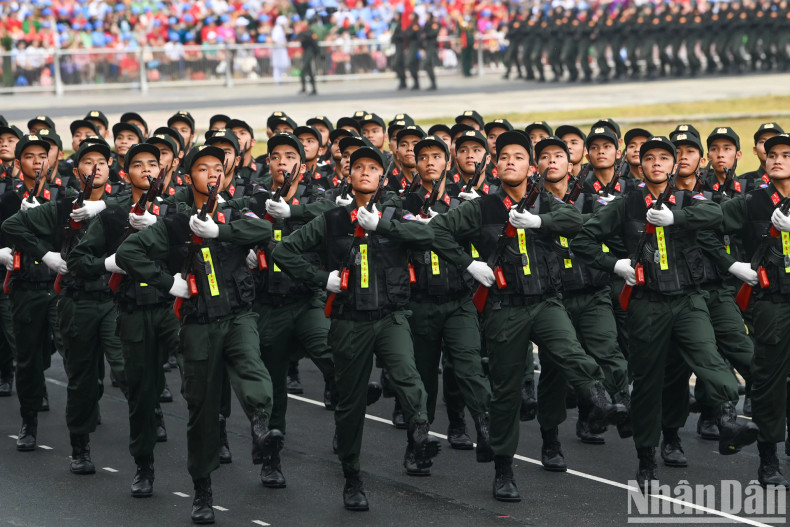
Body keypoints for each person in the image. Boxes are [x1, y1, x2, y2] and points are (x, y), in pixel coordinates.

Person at [430, 130, 626, 502]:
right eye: (503, 157)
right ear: (495, 165)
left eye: (518, 157)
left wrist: (540, 223)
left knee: (570, 351)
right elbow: (438, 231)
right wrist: (469, 263)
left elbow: (576, 222)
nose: (510, 163)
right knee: (506, 394)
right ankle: (503, 469)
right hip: (504, 308)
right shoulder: (482, 207)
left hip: (546, 302)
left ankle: (598, 398)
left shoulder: (546, 203)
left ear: (531, 167)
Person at [571, 135, 758, 492]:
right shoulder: (626, 204)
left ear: (674, 166)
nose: (657, 163)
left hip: (689, 300)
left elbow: (715, 215)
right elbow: (584, 237)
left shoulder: (691, 199)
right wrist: (615, 264)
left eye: (664, 158)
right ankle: (646, 458)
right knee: (648, 384)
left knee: (709, 358)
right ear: (640, 165)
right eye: (650, 158)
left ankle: (728, 418)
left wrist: (677, 217)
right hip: (647, 304)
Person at [116, 145, 282, 524]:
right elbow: (130, 253)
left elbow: (263, 228)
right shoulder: (175, 222)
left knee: (252, 366)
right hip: (198, 323)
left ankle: (260, 426)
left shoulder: (236, 210)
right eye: (202, 168)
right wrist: (167, 283)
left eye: (217, 168)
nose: (211, 174)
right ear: (188, 177)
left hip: (238, 316)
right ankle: (202, 489)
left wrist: (220, 230)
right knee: (202, 410)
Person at [273, 145, 440, 512]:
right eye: (358, 167)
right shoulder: (332, 219)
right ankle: (352, 478)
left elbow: (430, 238)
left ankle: (419, 434)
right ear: (349, 176)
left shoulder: (397, 213)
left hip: (390, 316)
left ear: (383, 176)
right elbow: (284, 252)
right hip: (349, 321)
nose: (365, 172)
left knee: (409, 378)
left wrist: (382, 225)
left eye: (373, 168)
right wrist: (321, 278)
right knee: (349, 406)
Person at [68, 142, 174, 496]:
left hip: (172, 309)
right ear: (125, 174)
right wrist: (107, 264)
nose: (146, 170)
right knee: (138, 387)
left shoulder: (176, 211)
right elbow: (80, 260)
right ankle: (143, 465)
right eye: (138, 165)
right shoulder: (112, 216)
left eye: (152, 164)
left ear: (162, 171)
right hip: (131, 310)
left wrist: (160, 224)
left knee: (201, 375)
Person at [720, 132, 790, 489]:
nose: (776, 159)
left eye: (785, 154)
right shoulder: (752, 202)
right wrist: (734, 265)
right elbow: (708, 231)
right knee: (768, 382)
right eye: (772, 154)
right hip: (772, 302)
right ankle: (768, 461)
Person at [272, 16, 291, 85]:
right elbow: (275, 39)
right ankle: (277, 80)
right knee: (277, 66)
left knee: (283, 64)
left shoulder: (280, 29)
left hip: (281, 50)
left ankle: (280, 79)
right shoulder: (277, 29)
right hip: (278, 50)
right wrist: (282, 43)